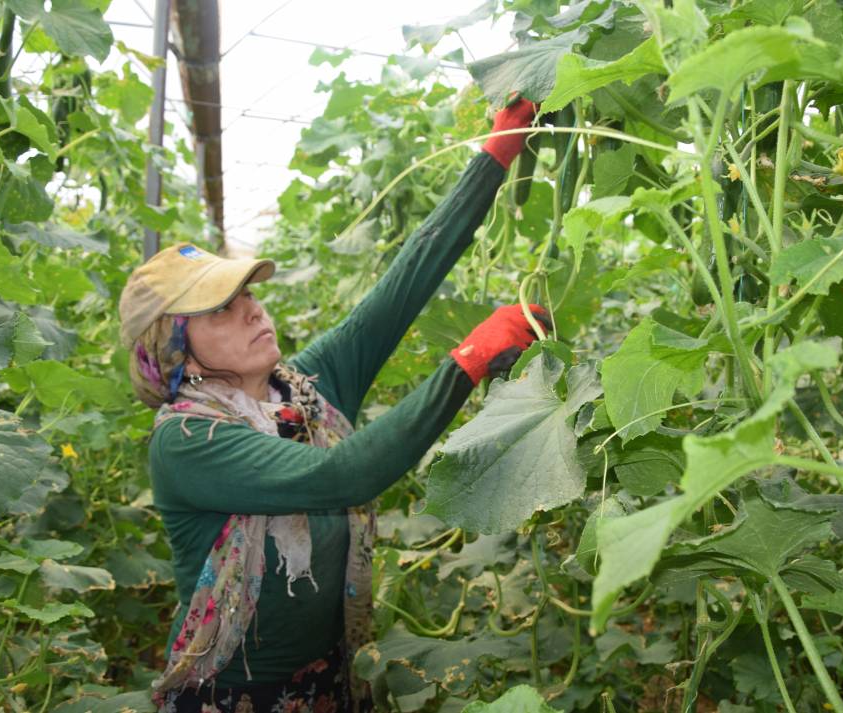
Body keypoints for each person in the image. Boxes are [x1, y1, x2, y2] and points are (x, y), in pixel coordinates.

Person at [118, 98, 548, 713]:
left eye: (246, 295)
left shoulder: (304, 391)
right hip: (235, 696)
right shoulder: (185, 440)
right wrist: (471, 358)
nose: (253, 310)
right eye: (220, 309)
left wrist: (496, 153)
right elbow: (342, 476)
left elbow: (407, 281)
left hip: (331, 681)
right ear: (178, 353)